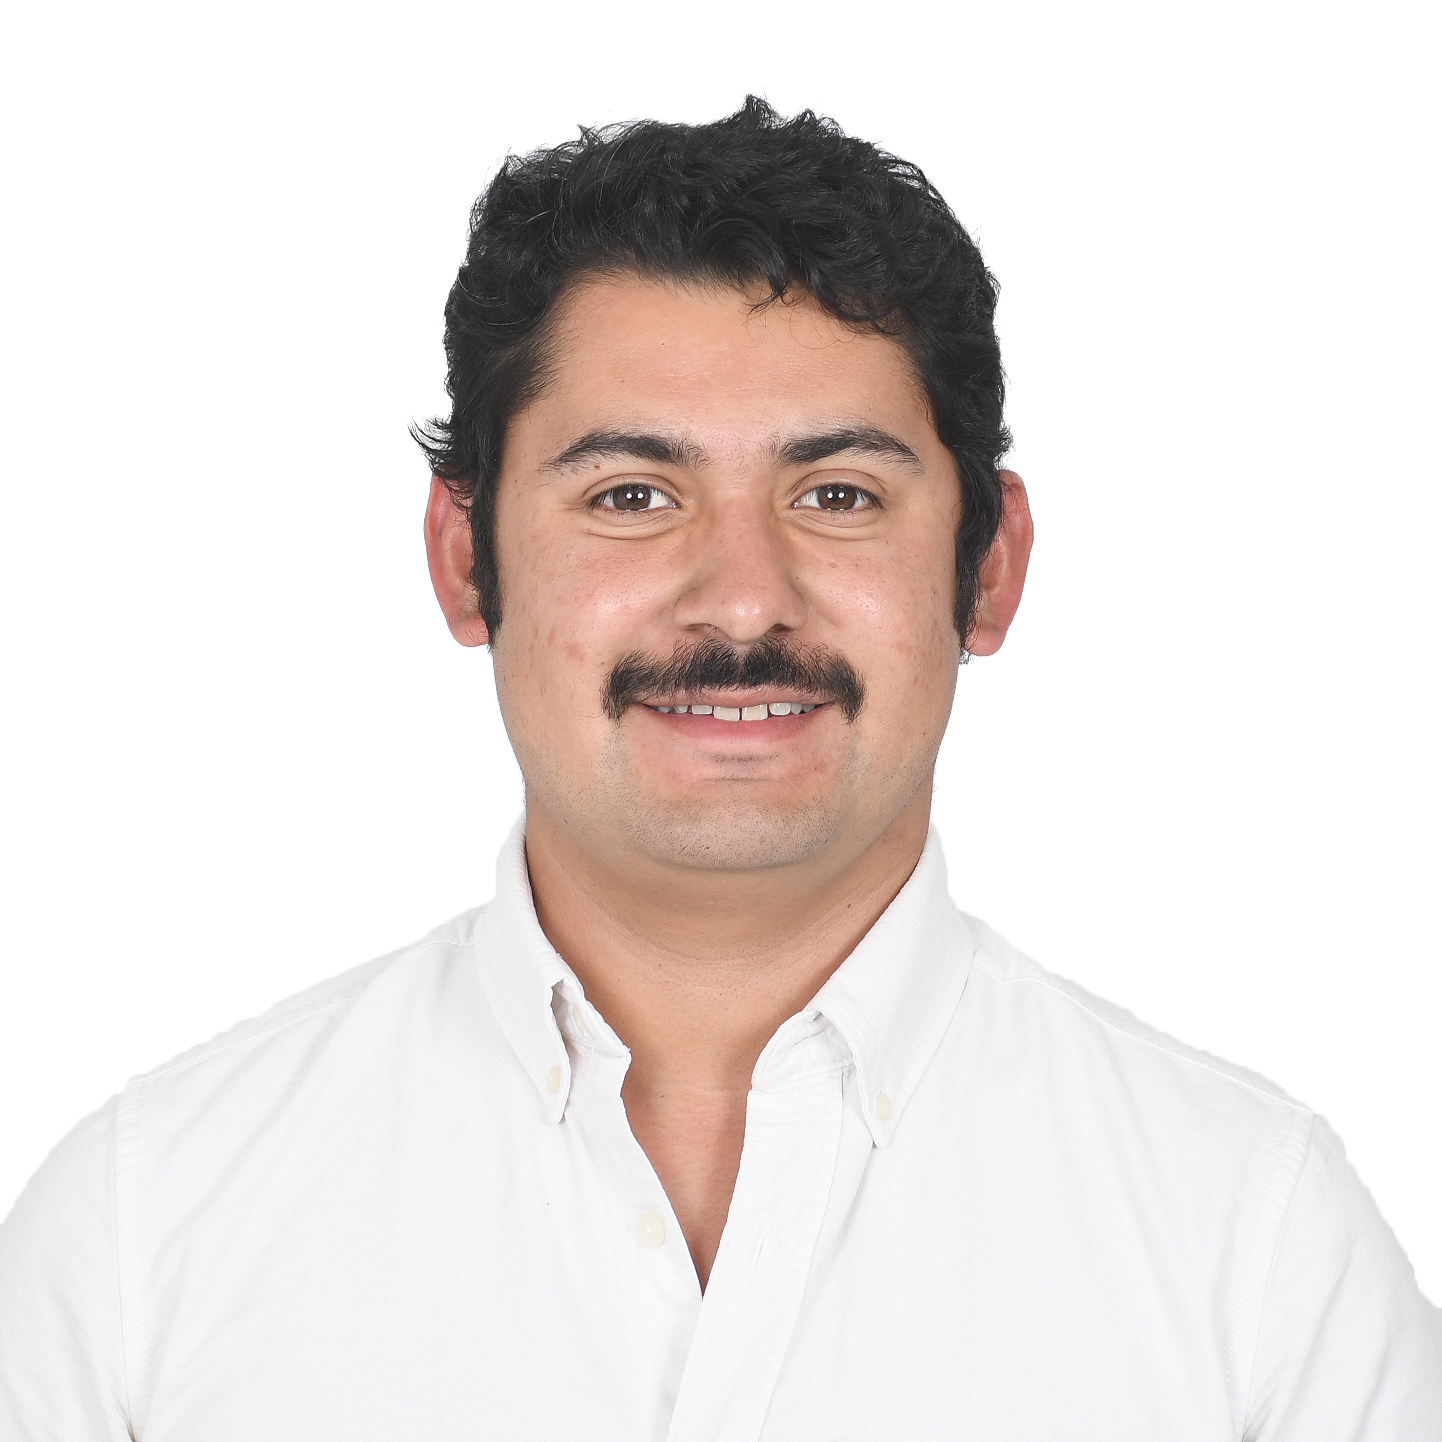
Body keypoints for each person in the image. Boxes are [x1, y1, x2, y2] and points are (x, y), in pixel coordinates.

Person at [1, 97, 1437, 1441]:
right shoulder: (140, 1237)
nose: (744, 599)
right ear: (465, 559)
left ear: (989, 566)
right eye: (632, 494)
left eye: (837, 494)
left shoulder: (1259, 1251)